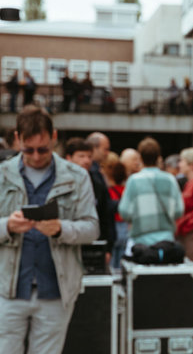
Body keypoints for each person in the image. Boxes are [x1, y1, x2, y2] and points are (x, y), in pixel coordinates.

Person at [0, 105, 99, 354]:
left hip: (56, 290)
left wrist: (60, 229)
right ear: (17, 138)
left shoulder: (77, 176)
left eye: (42, 149)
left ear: (54, 137)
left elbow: (92, 228)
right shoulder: (1, 175)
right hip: (7, 290)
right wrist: (7, 226)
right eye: (28, 149)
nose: (35, 156)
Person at [119, 138, 184, 248]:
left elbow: (124, 212)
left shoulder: (133, 180)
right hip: (166, 239)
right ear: (158, 157)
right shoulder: (170, 179)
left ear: (140, 157)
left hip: (140, 240)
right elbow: (179, 211)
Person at [64, 138, 115, 257]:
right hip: (67, 244)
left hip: (94, 244)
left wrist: (108, 248)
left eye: (89, 156)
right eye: (81, 156)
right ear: (69, 158)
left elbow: (105, 215)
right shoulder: (59, 181)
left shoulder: (97, 181)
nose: (86, 161)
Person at [107, 162, 128, 270]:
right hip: (125, 224)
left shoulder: (109, 191)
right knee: (122, 256)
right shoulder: (127, 190)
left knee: (113, 255)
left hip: (114, 224)